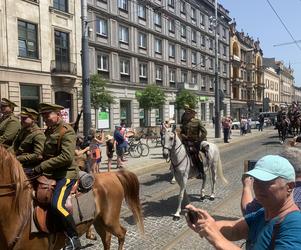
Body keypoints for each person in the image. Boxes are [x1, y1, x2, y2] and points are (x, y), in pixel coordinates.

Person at [185, 155, 301, 250]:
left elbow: (224, 235)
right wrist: (205, 224)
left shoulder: (295, 225)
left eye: (266, 182)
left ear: (289, 187)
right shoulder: (263, 213)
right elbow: (234, 229)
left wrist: (217, 239)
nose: (258, 188)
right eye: (256, 181)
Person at [33, 103, 80, 250]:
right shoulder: (50, 131)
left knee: (57, 205)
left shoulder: (67, 131)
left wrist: (43, 166)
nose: (45, 119)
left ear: (58, 115)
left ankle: (73, 237)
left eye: (48, 116)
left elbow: (66, 157)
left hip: (66, 173)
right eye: (43, 116)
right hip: (51, 172)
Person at [180, 105, 207, 179]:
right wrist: (183, 136)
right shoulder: (185, 122)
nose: (187, 114)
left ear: (192, 114)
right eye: (186, 113)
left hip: (195, 142)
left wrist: (199, 140)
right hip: (186, 141)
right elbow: (182, 132)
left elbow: (204, 132)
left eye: (189, 113)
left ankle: (201, 172)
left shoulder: (197, 121)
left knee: (195, 155)